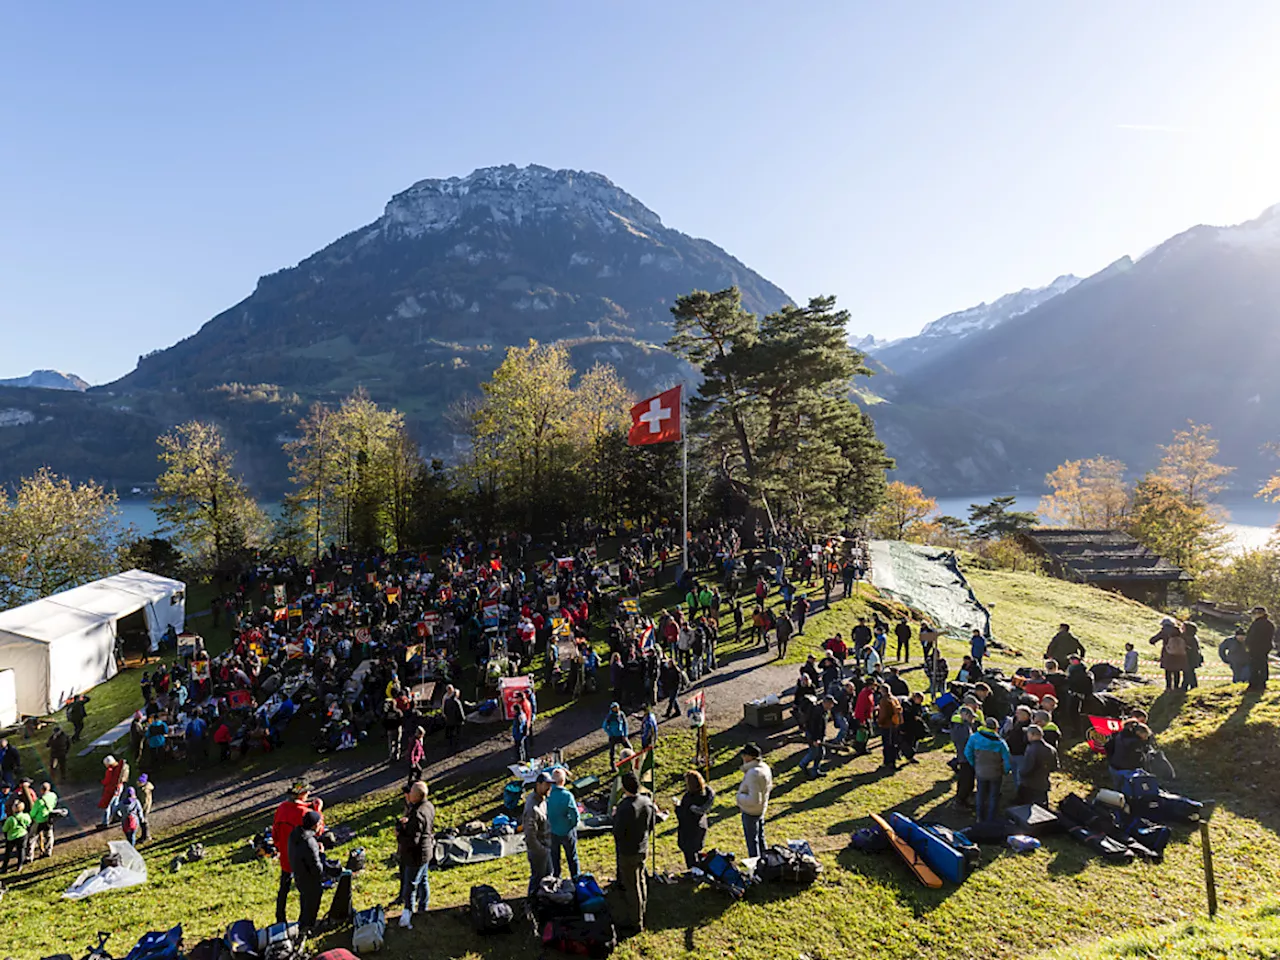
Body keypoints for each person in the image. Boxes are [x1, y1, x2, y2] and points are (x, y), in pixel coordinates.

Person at [273, 780, 324, 923]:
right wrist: (318, 809)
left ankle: (280, 917)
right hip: (299, 858)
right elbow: (317, 829)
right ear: (302, 794)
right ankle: (304, 920)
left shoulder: (282, 808)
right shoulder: (305, 813)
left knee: (284, 888)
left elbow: (275, 833)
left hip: (284, 854)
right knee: (305, 889)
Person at [612, 771, 656, 935]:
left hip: (627, 852)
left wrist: (614, 817)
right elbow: (651, 824)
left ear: (624, 788)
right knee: (641, 880)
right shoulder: (647, 801)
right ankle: (642, 910)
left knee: (631, 886)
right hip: (642, 847)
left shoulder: (624, 807)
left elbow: (617, 832)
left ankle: (636, 921)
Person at [395, 780, 435, 930]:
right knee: (423, 880)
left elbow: (413, 841)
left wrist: (399, 834)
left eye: (411, 792)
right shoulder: (428, 806)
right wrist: (409, 823)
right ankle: (423, 907)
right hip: (427, 850)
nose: (408, 794)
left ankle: (407, 914)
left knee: (410, 885)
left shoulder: (417, 813)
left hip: (415, 855)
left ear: (417, 796)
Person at [964, 717, 1012, 823]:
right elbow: (1007, 760)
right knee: (994, 796)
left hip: (980, 770)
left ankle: (979, 817)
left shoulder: (974, 738)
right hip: (995, 773)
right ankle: (991, 818)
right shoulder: (1000, 743)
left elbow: (967, 752)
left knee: (980, 793)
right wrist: (1005, 770)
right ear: (996, 729)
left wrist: (974, 764)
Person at [288, 810, 325, 932]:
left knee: (304, 901)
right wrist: (321, 854)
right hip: (310, 880)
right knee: (312, 903)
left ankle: (303, 923)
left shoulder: (294, 834)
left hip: (299, 875)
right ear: (315, 825)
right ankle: (308, 927)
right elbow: (317, 868)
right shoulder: (310, 842)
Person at [735, 742, 773, 859]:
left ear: (751, 757)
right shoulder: (764, 767)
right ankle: (766, 862)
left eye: (744, 755)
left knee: (752, 842)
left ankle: (756, 866)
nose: (743, 757)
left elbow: (754, 799)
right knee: (760, 838)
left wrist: (739, 797)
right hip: (761, 809)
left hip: (751, 811)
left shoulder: (753, 773)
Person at [523, 772, 554, 908]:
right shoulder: (532, 808)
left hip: (546, 847)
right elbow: (530, 835)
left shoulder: (542, 799)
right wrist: (543, 851)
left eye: (550, 785)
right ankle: (532, 905)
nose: (549, 788)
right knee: (538, 880)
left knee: (547, 878)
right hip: (539, 851)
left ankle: (544, 905)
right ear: (538, 785)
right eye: (546, 785)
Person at [674, 770, 715, 869]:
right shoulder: (704, 795)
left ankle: (694, 872)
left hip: (688, 830)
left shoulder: (689, 798)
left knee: (690, 855)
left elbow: (683, 815)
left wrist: (677, 807)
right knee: (696, 850)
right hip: (700, 826)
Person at [547, 768, 581, 879]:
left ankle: (556, 879)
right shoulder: (567, 796)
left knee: (554, 858)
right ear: (563, 781)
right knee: (572, 857)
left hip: (552, 830)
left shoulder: (548, 796)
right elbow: (575, 815)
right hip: (566, 830)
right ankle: (575, 878)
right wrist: (572, 825)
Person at [1018, 725, 1058, 806]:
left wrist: (1021, 773)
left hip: (1030, 785)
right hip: (1043, 783)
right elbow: (1054, 767)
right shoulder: (1051, 749)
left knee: (1028, 809)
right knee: (1043, 809)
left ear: (1033, 735)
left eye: (1028, 734)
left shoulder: (1031, 749)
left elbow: (1027, 769)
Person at [950, 704, 977, 809]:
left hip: (966, 757)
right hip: (965, 758)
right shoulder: (961, 727)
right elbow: (966, 741)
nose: (972, 719)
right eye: (971, 717)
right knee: (966, 780)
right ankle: (960, 801)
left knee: (966, 780)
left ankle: (963, 799)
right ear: (964, 715)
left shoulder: (963, 726)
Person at [1148, 619, 1187, 690]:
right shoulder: (1178, 630)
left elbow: (1153, 640)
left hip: (1167, 653)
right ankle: (1176, 686)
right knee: (1176, 670)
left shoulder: (1164, 631)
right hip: (1179, 653)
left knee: (1168, 670)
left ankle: (1168, 687)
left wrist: (1152, 641)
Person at [800, 696, 832, 779]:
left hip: (819, 736)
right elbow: (813, 727)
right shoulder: (817, 712)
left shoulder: (824, 711)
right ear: (825, 703)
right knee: (813, 753)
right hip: (813, 736)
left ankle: (815, 770)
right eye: (830, 704)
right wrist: (814, 739)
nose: (831, 706)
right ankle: (803, 764)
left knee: (821, 753)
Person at [1246, 607, 1275, 693]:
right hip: (1264, 648)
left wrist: (1249, 645)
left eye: (1254, 613)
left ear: (1260, 614)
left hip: (1256, 648)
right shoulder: (1269, 624)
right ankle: (1262, 683)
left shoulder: (1257, 624)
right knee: (1263, 665)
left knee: (1255, 666)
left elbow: (1253, 637)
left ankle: (1254, 684)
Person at [876, 683, 903, 769]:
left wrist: (879, 722)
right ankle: (893, 760)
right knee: (893, 743)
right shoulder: (894, 699)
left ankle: (888, 762)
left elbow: (883, 714)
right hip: (895, 724)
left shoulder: (884, 700)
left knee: (887, 744)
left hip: (887, 725)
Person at [98, 755, 128, 828]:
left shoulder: (110, 770)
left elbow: (107, 781)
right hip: (119, 787)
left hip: (111, 789)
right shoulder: (119, 768)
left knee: (107, 805)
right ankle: (118, 816)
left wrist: (102, 782)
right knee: (115, 803)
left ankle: (105, 822)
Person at [1, 799, 31, 873]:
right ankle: (19, 865)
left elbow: (4, 829)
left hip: (11, 837)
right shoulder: (26, 816)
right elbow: (29, 822)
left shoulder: (10, 819)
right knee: (21, 850)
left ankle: (4, 867)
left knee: (8, 853)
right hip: (23, 835)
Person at [31, 781, 58, 859]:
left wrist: (32, 817)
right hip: (48, 818)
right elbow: (54, 803)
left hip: (39, 820)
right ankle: (48, 851)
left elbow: (33, 812)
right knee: (49, 835)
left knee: (32, 837)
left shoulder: (39, 801)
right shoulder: (53, 795)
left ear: (41, 790)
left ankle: (29, 856)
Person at [602, 703, 631, 768]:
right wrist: (610, 734)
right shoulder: (609, 716)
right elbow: (604, 726)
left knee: (629, 748)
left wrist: (625, 735)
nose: (616, 709)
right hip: (613, 737)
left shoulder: (621, 714)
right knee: (612, 753)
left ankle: (624, 761)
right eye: (615, 708)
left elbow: (625, 724)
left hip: (621, 735)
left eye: (617, 708)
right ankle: (613, 766)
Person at [442, 685, 466, 754]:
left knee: (451, 735)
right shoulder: (456, 702)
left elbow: (444, 710)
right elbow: (460, 711)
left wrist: (446, 717)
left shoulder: (446, 700)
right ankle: (458, 747)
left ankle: (451, 748)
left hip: (449, 720)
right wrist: (463, 719)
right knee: (458, 734)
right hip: (457, 720)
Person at [136, 773, 154, 842]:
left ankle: (147, 836)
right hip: (143, 808)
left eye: (139, 782)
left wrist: (141, 810)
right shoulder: (143, 788)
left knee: (144, 822)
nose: (137, 783)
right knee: (142, 822)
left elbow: (145, 802)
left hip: (144, 809)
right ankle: (144, 836)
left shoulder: (145, 791)